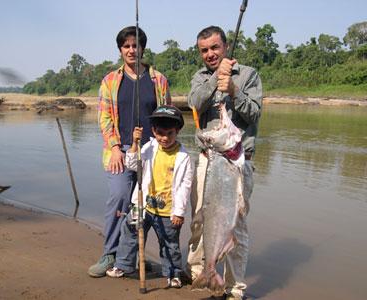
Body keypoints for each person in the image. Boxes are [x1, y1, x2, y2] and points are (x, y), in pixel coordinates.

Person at [88, 26, 171, 278]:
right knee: (120, 198)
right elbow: (104, 118)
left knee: (153, 205)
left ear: (143, 48)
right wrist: (114, 148)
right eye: (126, 46)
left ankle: (156, 258)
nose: (131, 50)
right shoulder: (110, 81)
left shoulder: (159, 80)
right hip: (121, 151)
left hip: (152, 151)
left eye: (136, 45)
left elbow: (166, 117)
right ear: (120, 50)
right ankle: (110, 253)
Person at [186, 26, 263, 300]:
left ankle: (233, 287)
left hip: (237, 162)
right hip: (209, 160)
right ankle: (200, 272)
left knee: (236, 225)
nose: (210, 54)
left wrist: (232, 89)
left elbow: (254, 114)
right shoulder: (199, 77)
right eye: (204, 50)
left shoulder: (248, 74)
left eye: (215, 47)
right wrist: (215, 79)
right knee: (200, 218)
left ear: (225, 46)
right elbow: (194, 102)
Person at [106, 105, 193, 288]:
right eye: (160, 133)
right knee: (130, 235)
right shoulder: (149, 147)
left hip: (168, 211)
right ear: (153, 131)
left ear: (177, 132)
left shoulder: (183, 156)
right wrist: (135, 143)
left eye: (170, 133)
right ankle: (123, 265)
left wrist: (179, 212)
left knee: (170, 245)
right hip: (142, 205)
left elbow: (185, 186)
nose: (165, 138)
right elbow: (131, 164)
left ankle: (173, 273)